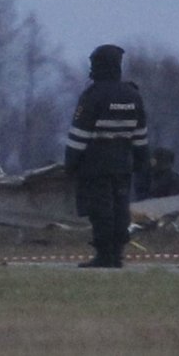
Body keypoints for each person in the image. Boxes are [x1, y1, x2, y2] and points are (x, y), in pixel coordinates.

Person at [65, 44, 149, 268]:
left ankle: (104, 255)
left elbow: (79, 134)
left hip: (95, 163)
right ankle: (117, 253)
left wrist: (70, 163)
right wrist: (141, 161)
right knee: (121, 206)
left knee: (100, 208)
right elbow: (140, 134)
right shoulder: (133, 95)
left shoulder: (92, 96)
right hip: (124, 163)